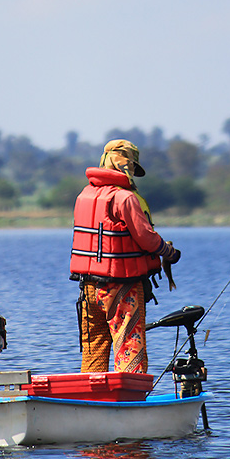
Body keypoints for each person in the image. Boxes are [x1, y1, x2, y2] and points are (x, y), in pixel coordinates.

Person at [70, 138, 181, 374]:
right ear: (125, 166)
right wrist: (170, 253)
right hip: (121, 288)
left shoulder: (84, 196)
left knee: (94, 349)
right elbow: (147, 238)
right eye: (131, 167)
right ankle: (132, 403)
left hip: (88, 288)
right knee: (130, 350)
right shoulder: (125, 198)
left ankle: (92, 403)